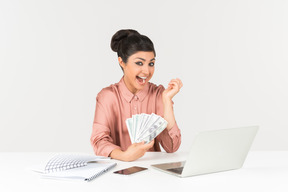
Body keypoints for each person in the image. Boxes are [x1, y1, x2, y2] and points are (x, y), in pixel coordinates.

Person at [90, 29, 183, 162]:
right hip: (117, 170)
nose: (146, 71)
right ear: (122, 62)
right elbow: (99, 140)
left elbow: (171, 147)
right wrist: (124, 156)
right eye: (139, 63)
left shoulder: (159, 95)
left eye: (151, 63)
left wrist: (167, 101)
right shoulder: (107, 96)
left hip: (151, 171)